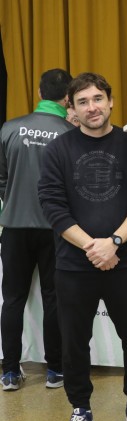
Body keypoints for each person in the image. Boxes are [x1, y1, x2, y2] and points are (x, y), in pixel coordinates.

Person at [38, 72, 127, 421]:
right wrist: (94, 247)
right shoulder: (57, 150)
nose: (92, 107)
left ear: (111, 101)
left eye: (98, 98)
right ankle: (80, 409)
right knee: (74, 342)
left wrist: (114, 242)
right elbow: (53, 207)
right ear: (71, 109)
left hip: (126, 262)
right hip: (74, 265)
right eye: (83, 101)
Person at [0, 69, 74, 391]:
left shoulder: (9, 128)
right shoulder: (70, 133)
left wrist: (14, 200)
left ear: (40, 93)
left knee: (12, 299)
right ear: (68, 98)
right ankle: (55, 369)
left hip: (14, 226)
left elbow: (1, 179)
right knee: (54, 298)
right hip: (55, 228)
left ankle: (10, 372)